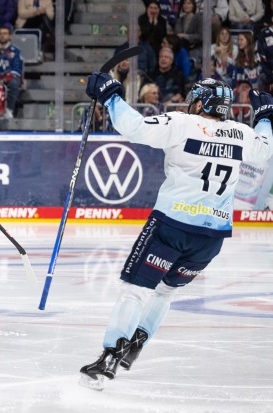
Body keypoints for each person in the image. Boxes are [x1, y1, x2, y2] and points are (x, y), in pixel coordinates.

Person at [79, 72, 273, 391]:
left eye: (194, 98)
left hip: (171, 225)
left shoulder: (182, 124)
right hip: (211, 237)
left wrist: (110, 94)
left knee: (135, 290)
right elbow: (264, 147)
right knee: (166, 291)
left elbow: (135, 128)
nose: (189, 104)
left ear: (202, 102)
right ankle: (138, 342)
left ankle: (110, 356)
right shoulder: (241, 134)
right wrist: (265, 116)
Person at [0, 24, 22, 119]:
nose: (2, 36)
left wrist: (6, 78)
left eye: (5, 33)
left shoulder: (16, 51)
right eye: (0, 33)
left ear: (10, 36)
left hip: (10, 77)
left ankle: (9, 109)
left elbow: (17, 68)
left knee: (14, 83)